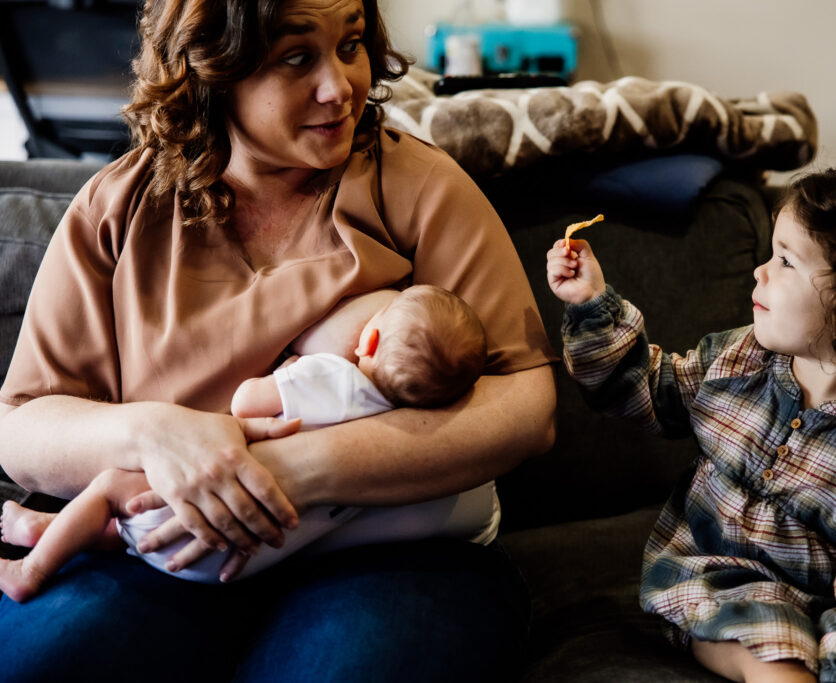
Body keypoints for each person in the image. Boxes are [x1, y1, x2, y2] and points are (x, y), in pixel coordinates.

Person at [0, 0, 556, 679]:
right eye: (297, 58)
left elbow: (526, 405)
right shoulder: (117, 211)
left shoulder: (419, 188)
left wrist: (294, 473)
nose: (340, 86)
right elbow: (20, 427)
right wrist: (152, 434)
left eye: (351, 45)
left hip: (386, 555)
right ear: (213, 70)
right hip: (170, 556)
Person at [546, 168, 836, 683]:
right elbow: (643, 388)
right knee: (772, 656)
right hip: (723, 587)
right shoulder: (740, 360)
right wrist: (591, 304)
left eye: (785, 260)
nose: (760, 272)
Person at [0, 284, 495, 598]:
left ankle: (33, 571)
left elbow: (244, 404)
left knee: (112, 489)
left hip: (193, 511)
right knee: (133, 527)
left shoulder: (333, 377)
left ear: (367, 339)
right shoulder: (403, 427)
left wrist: (287, 373)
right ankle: (46, 525)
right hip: (246, 554)